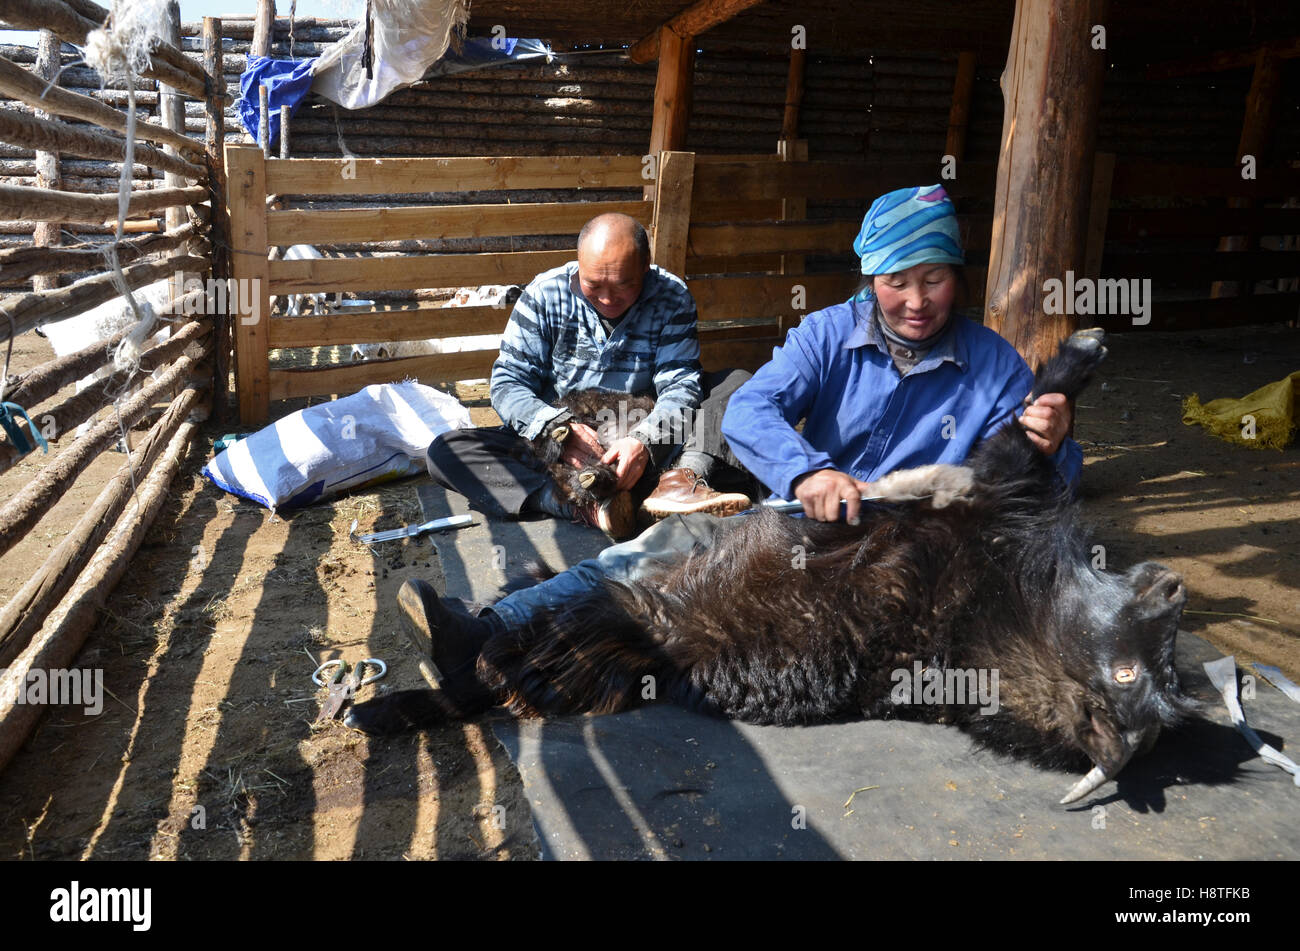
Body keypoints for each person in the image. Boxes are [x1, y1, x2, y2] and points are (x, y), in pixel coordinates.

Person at [395, 185, 1081, 712]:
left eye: (932, 278)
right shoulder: (829, 331)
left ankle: (532, 655)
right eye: (896, 280)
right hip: (803, 520)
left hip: (916, 552)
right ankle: (486, 627)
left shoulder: (994, 365)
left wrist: (1049, 443)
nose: (915, 300)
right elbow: (754, 411)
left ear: (956, 277)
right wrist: (808, 470)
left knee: (697, 630)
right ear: (870, 277)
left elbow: (1041, 484)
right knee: (654, 554)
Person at [425, 212, 752, 541]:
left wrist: (645, 441)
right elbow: (509, 382)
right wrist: (557, 430)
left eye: (624, 285)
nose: (608, 299)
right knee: (446, 452)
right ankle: (580, 505)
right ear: (578, 266)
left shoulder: (671, 297)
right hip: (563, 450)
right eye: (594, 286)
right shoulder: (544, 296)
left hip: (647, 434)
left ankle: (679, 483)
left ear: (646, 268)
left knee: (735, 383)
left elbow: (679, 384)